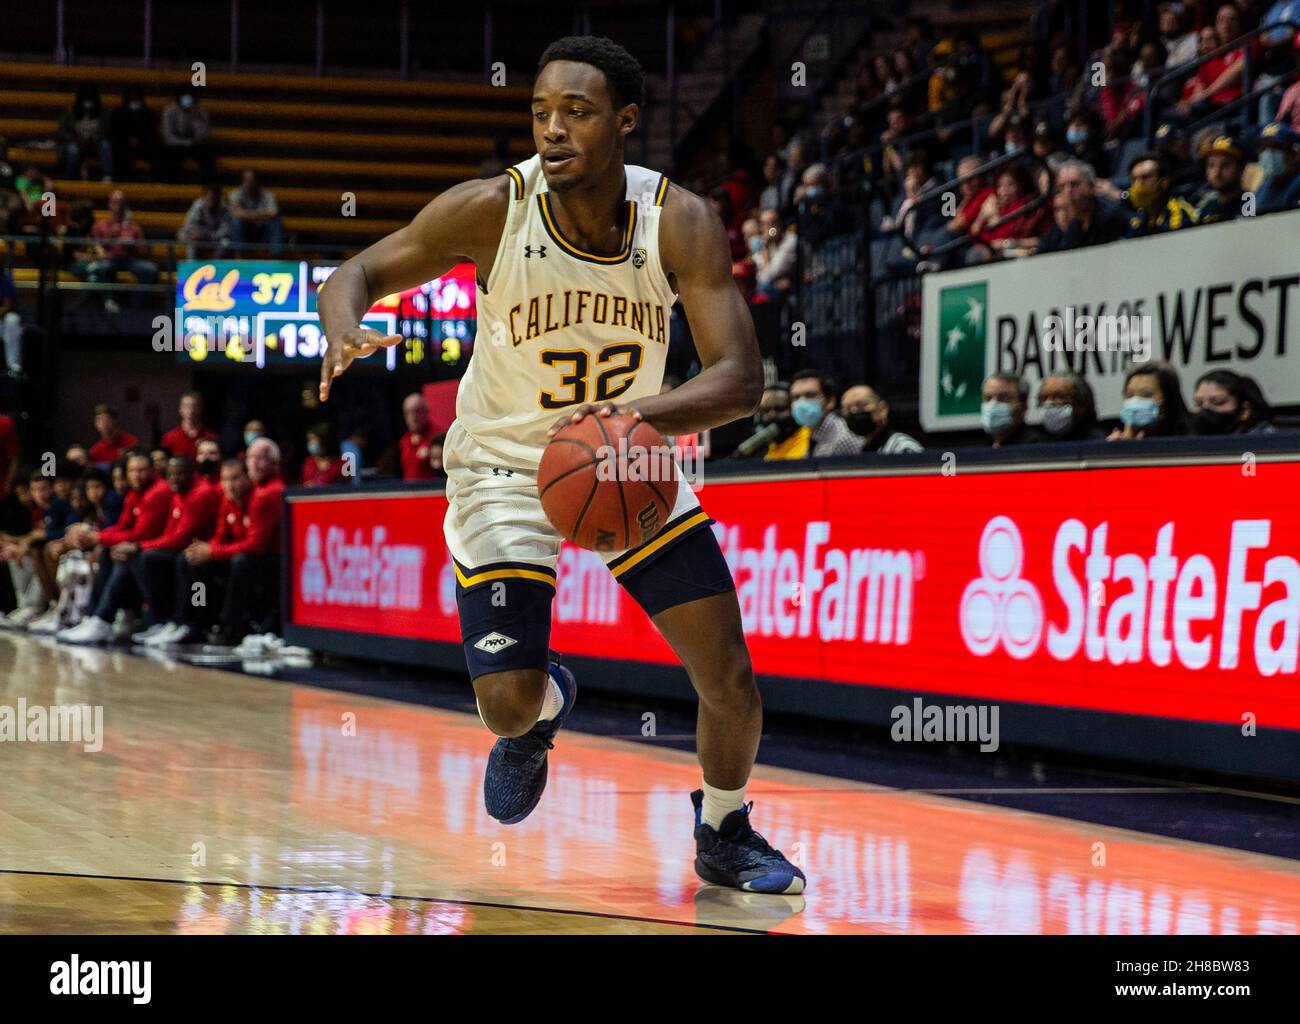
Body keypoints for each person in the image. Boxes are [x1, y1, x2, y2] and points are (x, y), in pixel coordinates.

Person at [316, 35, 802, 894]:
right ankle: (542, 713)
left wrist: (627, 418)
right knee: (504, 700)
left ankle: (724, 830)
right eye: (540, 111)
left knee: (727, 672)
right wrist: (342, 325)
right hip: (502, 469)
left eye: (575, 112)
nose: (552, 130)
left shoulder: (679, 220)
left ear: (624, 122)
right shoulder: (492, 210)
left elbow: (740, 380)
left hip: (614, 461)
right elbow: (358, 268)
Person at [174, 438, 285, 646]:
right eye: (225, 479)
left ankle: (231, 627)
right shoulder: (228, 497)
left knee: (240, 562)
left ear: (246, 479)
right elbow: (220, 535)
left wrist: (213, 552)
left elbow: (256, 546)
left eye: (235, 479)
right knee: (190, 559)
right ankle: (194, 623)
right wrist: (206, 550)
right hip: (244, 555)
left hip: (272, 560)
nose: (230, 485)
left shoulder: (264, 495)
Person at [57, 449, 173, 644]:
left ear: (153, 470)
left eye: (142, 470)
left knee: (125, 554)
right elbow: (122, 525)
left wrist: (97, 537)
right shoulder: (134, 493)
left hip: (161, 548)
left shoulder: (157, 492)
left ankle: (103, 619)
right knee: (111, 551)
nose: (137, 475)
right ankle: (94, 617)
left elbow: (141, 533)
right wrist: (95, 535)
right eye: (132, 471)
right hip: (146, 547)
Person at [127, 455, 223, 645]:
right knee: (147, 559)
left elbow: (182, 538)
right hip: (188, 549)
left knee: (183, 560)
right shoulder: (178, 493)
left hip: (206, 553)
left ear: (191, 474)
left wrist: (140, 546)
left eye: (179, 474)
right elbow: (170, 532)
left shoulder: (201, 493)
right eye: (170, 475)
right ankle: (162, 621)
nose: (174, 479)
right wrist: (142, 548)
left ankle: (187, 623)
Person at [1036, 159, 1129, 252]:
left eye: (1074, 184)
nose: (1068, 191)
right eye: (1062, 186)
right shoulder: (1072, 224)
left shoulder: (1109, 216)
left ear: (1091, 187)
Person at [786, 369, 866, 457]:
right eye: (796, 397)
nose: (801, 403)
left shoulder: (845, 437)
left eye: (810, 395)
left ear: (830, 401)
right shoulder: (810, 435)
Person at [1107, 361, 1192, 440]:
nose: (1135, 401)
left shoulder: (1191, 437)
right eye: (1130, 395)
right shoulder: (1123, 438)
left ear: (1168, 397)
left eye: (1146, 395)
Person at [1125, 153, 1199, 235]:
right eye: (1134, 179)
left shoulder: (1179, 213)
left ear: (1164, 182)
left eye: (1145, 177)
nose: (1138, 185)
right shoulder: (1138, 217)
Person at [840, 384, 923, 453]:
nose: (854, 411)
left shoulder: (903, 448)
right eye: (847, 409)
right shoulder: (858, 450)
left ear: (882, 409)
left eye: (861, 406)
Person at [1190, 368, 1277, 434]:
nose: (1205, 409)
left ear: (1244, 411)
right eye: (1199, 403)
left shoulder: (1268, 440)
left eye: (1218, 402)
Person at [57, 84, 113, 180]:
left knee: (105, 145)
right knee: (72, 150)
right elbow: (62, 131)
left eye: (90, 97)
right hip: (76, 143)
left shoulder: (103, 112)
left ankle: (107, 177)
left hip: (95, 144)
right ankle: (69, 178)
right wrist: (75, 139)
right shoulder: (70, 112)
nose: (88, 100)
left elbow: (107, 130)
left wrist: (95, 138)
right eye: (86, 97)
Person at [159, 87, 214, 182]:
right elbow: (168, 138)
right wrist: (189, 142)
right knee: (168, 155)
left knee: (207, 153)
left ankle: (207, 183)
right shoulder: (169, 112)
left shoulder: (201, 112)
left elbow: (204, 135)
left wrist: (196, 118)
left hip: (195, 147)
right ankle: (171, 183)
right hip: (176, 146)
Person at [1194, 135, 1248, 223]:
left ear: (1241, 168)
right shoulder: (1206, 208)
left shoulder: (1251, 202)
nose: (1217, 172)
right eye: (1211, 165)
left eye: (1225, 165)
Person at [227, 170, 283, 256]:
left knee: (276, 222)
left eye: (252, 181)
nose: (249, 183)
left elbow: (274, 213)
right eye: (247, 181)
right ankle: (238, 255)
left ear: (257, 181)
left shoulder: (267, 195)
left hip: (262, 231)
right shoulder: (235, 194)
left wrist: (246, 214)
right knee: (236, 223)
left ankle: (276, 256)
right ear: (243, 181)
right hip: (245, 232)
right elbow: (236, 214)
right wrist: (261, 215)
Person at [1036, 373, 1104, 441]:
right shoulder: (1036, 443)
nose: (1049, 403)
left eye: (1059, 397)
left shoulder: (1100, 443)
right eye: (1043, 398)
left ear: (1081, 405)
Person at [110, 85, 157, 182]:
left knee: (158, 153)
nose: (134, 100)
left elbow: (152, 132)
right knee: (119, 153)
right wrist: (128, 140)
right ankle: (121, 182)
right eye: (131, 98)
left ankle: (157, 182)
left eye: (136, 97)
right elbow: (115, 132)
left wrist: (140, 140)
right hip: (124, 145)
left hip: (144, 145)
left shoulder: (150, 113)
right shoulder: (118, 113)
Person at [981, 372, 1042, 447]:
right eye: (988, 398)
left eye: (1004, 398)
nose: (993, 404)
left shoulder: (1036, 446)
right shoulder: (978, 450)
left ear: (1024, 406)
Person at [177, 184, 232, 259]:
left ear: (219, 197)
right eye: (209, 197)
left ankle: (214, 265)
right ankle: (191, 266)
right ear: (204, 196)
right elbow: (189, 226)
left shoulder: (224, 209)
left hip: (214, 238)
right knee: (191, 240)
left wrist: (207, 236)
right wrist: (197, 233)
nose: (211, 200)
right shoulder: (198, 206)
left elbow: (225, 231)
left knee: (225, 242)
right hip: (196, 236)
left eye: (214, 198)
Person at [1255, 121, 1300, 211]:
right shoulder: (1262, 188)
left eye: (1276, 147)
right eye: (1263, 148)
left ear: (1295, 154)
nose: (1268, 154)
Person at [160, 391, 218, 460]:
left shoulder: (211, 437)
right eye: (186, 407)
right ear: (180, 409)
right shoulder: (169, 438)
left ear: (201, 409)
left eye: (194, 407)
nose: (190, 411)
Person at [399, 392, 439, 480]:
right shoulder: (404, 440)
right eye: (407, 413)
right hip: (410, 491)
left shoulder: (437, 437)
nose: (413, 417)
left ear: (426, 411)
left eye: (417, 411)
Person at [0, 266, 22, 377]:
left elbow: (7, 306)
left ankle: (14, 367)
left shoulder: (5, 281)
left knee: (12, 320)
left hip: (3, 321)